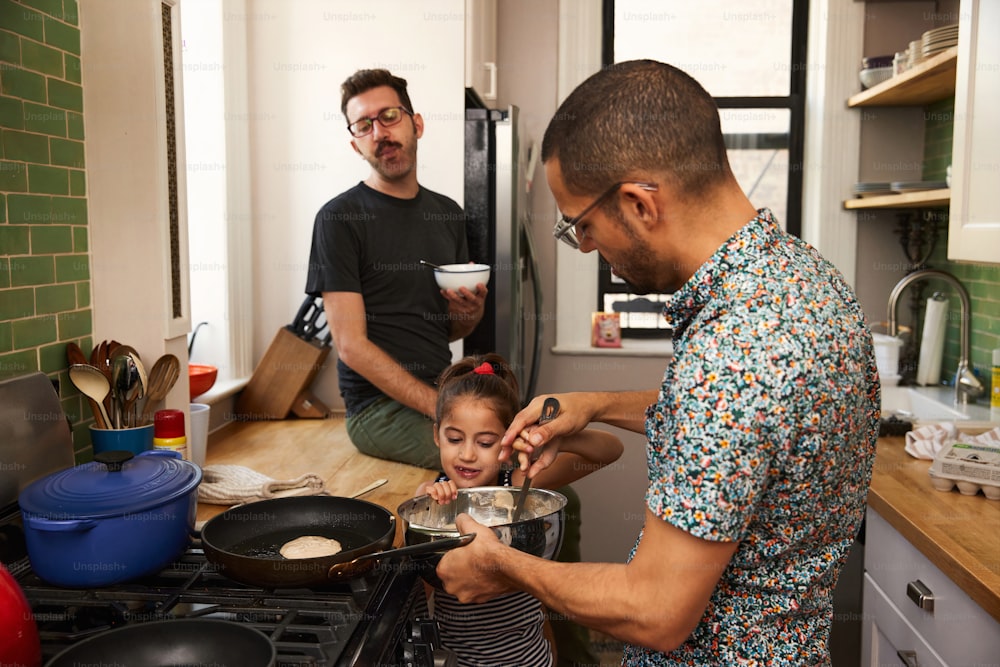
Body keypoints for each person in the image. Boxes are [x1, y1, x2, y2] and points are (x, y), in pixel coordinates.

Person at [436, 60, 881, 665]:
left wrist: (501, 565)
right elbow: (747, 431)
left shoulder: (732, 352)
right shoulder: (805, 280)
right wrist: (594, 405)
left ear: (639, 204)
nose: (588, 248)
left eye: (583, 227)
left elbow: (655, 610)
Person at [305, 68, 487, 469]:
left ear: (415, 123)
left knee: (534, 464)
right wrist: (441, 408)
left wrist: (468, 314)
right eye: (364, 125)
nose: (379, 133)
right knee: (501, 469)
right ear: (356, 145)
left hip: (441, 395)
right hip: (377, 412)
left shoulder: (448, 214)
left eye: (389, 116)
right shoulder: (338, 219)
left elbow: (451, 329)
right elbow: (350, 345)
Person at [415, 353, 624, 667]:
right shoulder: (434, 494)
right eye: (455, 439)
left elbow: (610, 450)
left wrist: (554, 437)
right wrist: (429, 501)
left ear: (508, 442)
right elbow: (421, 580)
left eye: (486, 443)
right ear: (436, 436)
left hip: (529, 661)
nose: (468, 454)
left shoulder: (517, 486)